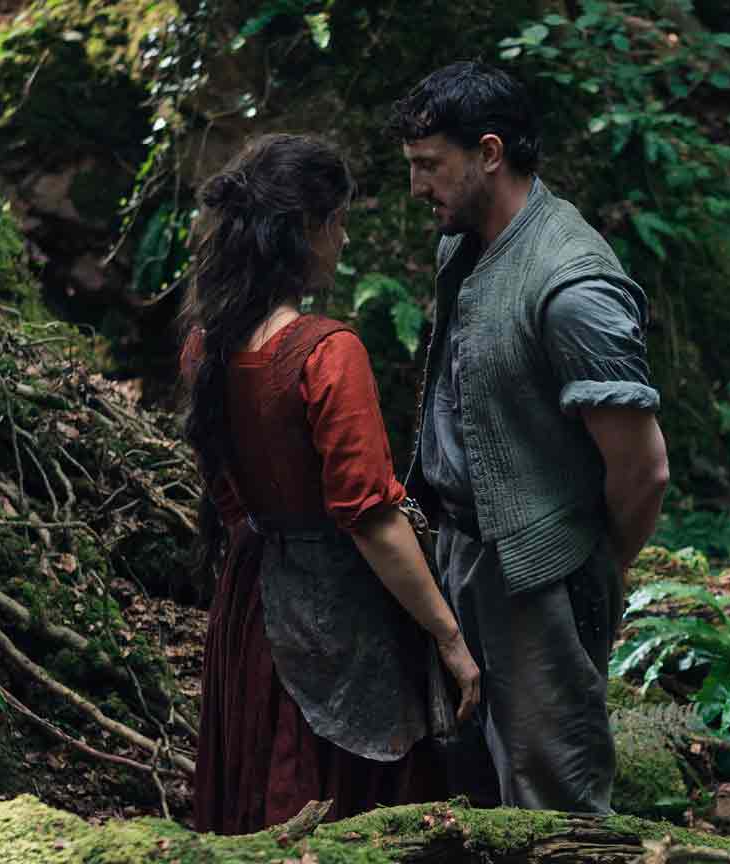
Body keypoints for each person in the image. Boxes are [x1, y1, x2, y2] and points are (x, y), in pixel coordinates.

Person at [388, 61, 670, 813]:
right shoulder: (463, 242)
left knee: (554, 799)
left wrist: (587, 569)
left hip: (540, 577)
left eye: (428, 165)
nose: (416, 187)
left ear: (489, 153)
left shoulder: (573, 286)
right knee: (470, 785)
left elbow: (644, 470)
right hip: (459, 552)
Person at [180, 133, 482, 835]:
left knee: (260, 776)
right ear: (306, 229)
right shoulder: (326, 352)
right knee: (331, 802)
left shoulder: (206, 344)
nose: (342, 240)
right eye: (338, 222)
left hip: (252, 602)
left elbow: (228, 493)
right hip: (338, 609)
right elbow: (369, 516)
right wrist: (448, 636)